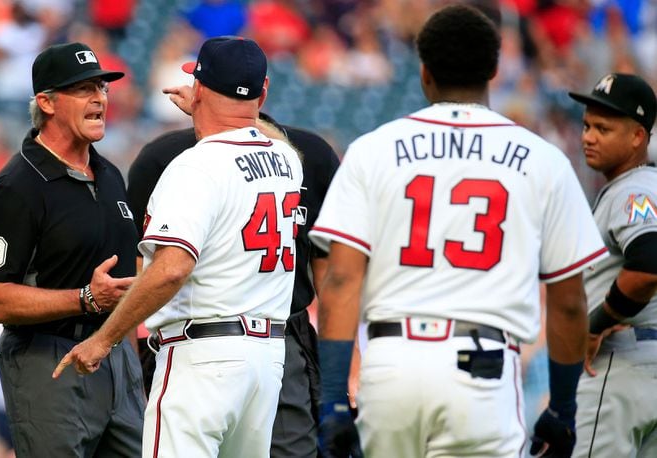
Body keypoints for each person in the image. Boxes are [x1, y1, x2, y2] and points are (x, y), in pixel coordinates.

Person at [308, 5, 608, 458]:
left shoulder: (372, 151)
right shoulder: (544, 160)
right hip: (483, 367)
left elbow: (341, 282)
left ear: (424, 72)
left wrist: (333, 398)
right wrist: (564, 408)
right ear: (494, 68)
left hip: (392, 366)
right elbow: (568, 303)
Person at [53, 36, 304, 458]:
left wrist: (104, 339)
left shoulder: (194, 165)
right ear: (262, 92)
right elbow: (251, 127)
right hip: (266, 359)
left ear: (199, 89)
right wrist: (218, 109)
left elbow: (171, 269)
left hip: (202, 356)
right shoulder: (286, 159)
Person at [127, 110, 339, 456]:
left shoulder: (171, 156)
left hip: (209, 340)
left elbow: (158, 271)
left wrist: (107, 339)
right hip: (267, 344)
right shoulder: (298, 153)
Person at [0, 42, 145, 457]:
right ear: (47, 102)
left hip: (116, 355)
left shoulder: (109, 174)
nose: (100, 98)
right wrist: (85, 299)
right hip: (50, 359)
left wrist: (131, 360)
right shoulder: (18, 186)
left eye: (102, 88)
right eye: (84, 89)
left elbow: (125, 283)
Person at [567, 73, 657, 457]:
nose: (588, 136)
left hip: (620, 363)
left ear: (637, 136)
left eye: (603, 128)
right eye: (586, 125)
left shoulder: (633, 190)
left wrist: (595, 324)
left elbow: (649, 264)